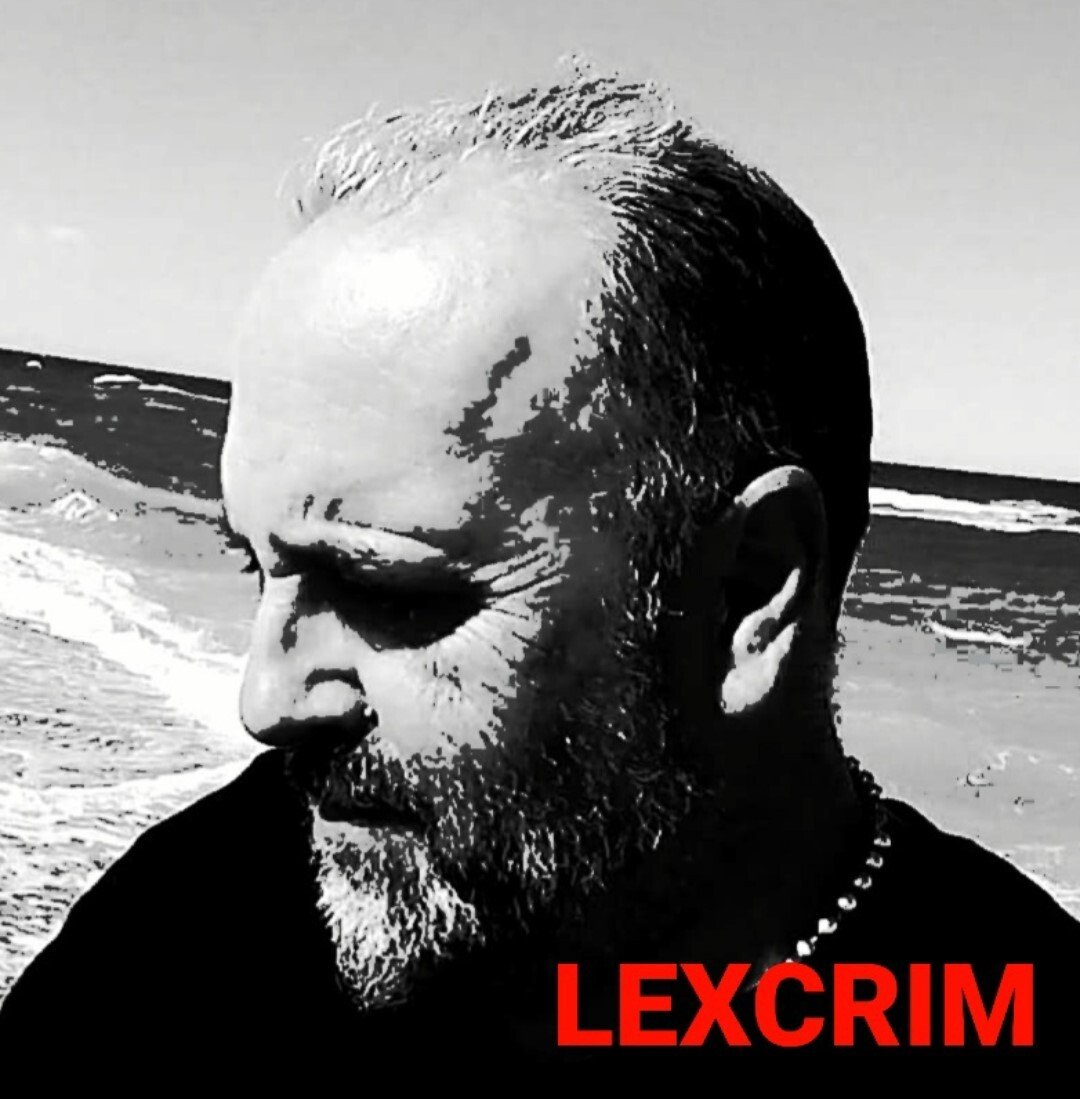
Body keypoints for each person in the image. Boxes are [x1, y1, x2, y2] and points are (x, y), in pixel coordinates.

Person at [2, 63, 1077, 1072]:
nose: (265, 700)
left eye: (388, 590)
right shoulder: (193, 936)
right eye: (260, 565)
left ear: (748, 591)